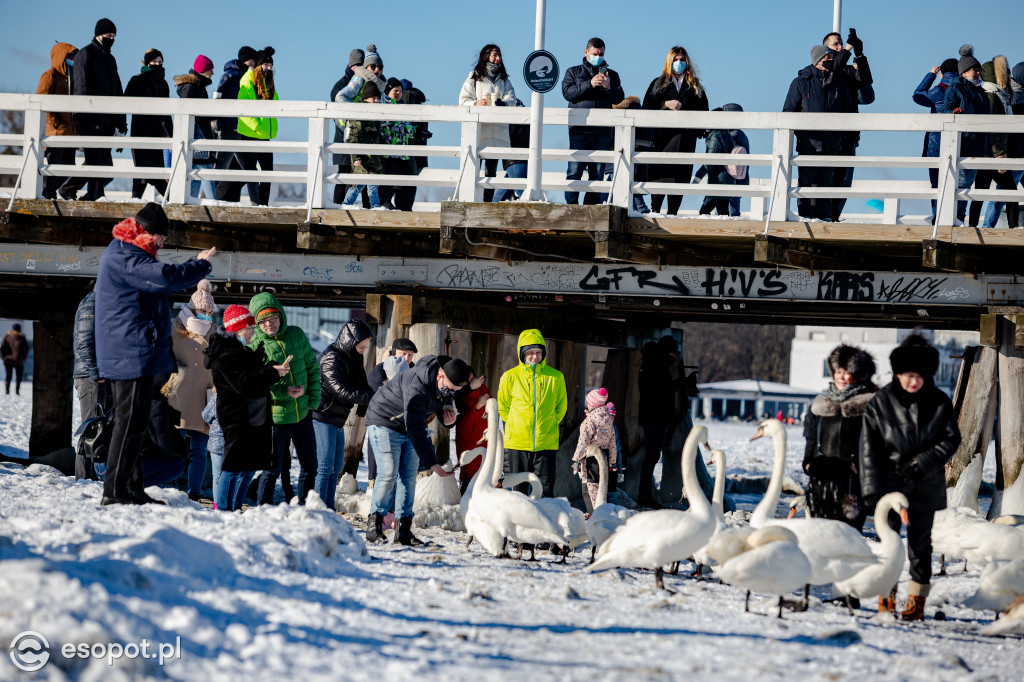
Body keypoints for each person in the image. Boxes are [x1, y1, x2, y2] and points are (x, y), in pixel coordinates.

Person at [94, 202, 215, 505]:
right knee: (129, 422)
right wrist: (199, 265)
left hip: (136, 351)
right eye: (161, 238)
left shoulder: (129, 252)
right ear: (148, 233)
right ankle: (114, 491)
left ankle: (132, 489)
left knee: (136, 423)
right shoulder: (125, 255)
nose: (163, 243)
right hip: (130, 353)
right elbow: (164, 277)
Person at [860, 333, 961, 621]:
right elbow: (868, 448)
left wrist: (922, 462)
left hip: (925, 483)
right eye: (907, 375)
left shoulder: (939, 402)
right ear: (898, 373)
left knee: (920, 546)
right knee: (888, 543)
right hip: (890, 485)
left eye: (918, 375)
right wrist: (871, 490)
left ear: (927, 374)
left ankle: (917, 602)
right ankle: (886, 599)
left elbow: (951, 439)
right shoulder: (881, 402)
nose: (912, 381)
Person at [364, 356, 465, 545]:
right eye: (452, 388)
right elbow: (416, 428)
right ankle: (374, 527)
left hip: (407, 424)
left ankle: (403, 531)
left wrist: (448, 418)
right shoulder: (416, 386)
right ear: (440, 376)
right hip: (384, 420)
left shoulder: (443, 384)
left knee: (408, 476)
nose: (452, 392)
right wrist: (432, 462)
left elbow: (442, 401)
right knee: (388, 472)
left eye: (456, 390)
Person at [204, 304, 289, 512]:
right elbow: (242, 383)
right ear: (238, 329)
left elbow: (250, 375)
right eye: (250, 328)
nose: (253, 332)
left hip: (248, 413)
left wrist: (269, 368)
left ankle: (233, 507)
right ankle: (224, 509)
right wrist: (271, 374)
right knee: (233, 465)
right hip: (235, 415)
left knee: (245, 466)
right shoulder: (227, 352)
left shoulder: (238, 350)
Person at [247, 292, 320, 505]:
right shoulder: (255, 345)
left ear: (281, 317)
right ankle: (264, 509)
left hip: (302, 413)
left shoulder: (296, 334)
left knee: (310, 466)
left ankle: (305, 508)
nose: (268, 324)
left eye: (272, 318)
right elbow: (254, 384)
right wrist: (283, 391)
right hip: (275, 417)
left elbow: (312, 368)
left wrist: (309, 396)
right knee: (272, 469)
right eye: (262, 321)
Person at [802, 344, 877, 530]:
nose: (841, 377)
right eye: (837, 372)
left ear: (857, 374)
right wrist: (808, 461)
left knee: (848, 531)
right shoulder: (822, 404)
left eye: (846, 372)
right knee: (821, 529)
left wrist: (859, 465)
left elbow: (873, 442)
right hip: (821, 477)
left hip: (850, 480)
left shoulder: (868, 405)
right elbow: (812, 437)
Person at [783, 44, 856, 221]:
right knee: (806, 180)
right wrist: (800, 132)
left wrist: (844, 135)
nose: (830, 60)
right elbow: (788, 111)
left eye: (832, 57)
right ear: (818, 60)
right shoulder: (801, 82)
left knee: (827, 181)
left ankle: (825, 219)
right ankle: (805, 216)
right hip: (808, 142)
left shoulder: (839, 82)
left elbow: (849, 111)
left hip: (832, 142)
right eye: (827, 57)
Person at [312, 319, 375, 509]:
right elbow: (342, 391)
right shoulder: (332, 357)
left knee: (336, 467)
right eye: (361, 346)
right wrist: (371, 396)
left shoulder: (352, 356)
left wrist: (379, 395)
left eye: (366, 346)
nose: (364, 349)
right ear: (351, 340)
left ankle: (328, 507)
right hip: (321, 416)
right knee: (324, 467)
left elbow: (361, 384)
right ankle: (317, 509)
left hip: (337, 419)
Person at [497, 329, 567, 499]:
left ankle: (545, 521)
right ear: (522, 354)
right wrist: (515, 424)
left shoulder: (556, 377)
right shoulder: (510, 377)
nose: (534, 357)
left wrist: (548, 423)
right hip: (518, 443)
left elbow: (561, 406)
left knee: (545, 487)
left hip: (546, 441)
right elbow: (503, 407)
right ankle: (521, 522)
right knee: (518, 488)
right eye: (530, 353)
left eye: (538, 352)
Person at [164, 280, 216, 501]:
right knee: (172, 445)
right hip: (177, 392)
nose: (205, 314)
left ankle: (194, 492)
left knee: (200, 449)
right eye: (201, 310)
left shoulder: (215, 332)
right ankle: (166, 486)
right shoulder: (175, 327)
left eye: (208, 311)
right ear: (192, 308)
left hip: (204, 393)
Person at [642, 46, 709, 215]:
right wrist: (665, 104)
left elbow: (704, 111)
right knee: (659, 176)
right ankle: (655, 210)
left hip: (686, 139)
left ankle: (673, 213)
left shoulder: (696, 86)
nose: (679, 63)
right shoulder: (657, 83)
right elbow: (646, 108)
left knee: (680, 177)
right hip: (663, 139)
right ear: (669, 62)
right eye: (676, 60)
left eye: (682, 60)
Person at [561, 37, 624, 205]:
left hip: (602, 132)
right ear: (586, 52)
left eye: (601, 54)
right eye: (595, 54)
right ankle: (571, 208)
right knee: (574, 171)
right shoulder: (573, 72)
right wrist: (590, 84)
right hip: (579, 130)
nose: (599, 57)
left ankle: (590, 210)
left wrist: (609, 86)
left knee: (597, 175)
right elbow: (568, 93)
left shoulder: (612, 75)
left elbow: (619, 99)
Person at [72, 18, 126, 201]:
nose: (111, 39)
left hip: (108, 120)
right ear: (98, 35)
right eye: (108, 35)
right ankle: (94, 198)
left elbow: (117, 90)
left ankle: (75, 191)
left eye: (114, 36)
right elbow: (82, 86)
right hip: (91, 119)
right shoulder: (85, 54)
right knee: (95, 161)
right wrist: (82, 116)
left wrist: (121, 121)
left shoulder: (110, 59)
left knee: (102, 162)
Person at [823, 29, 874, 221]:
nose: (840, 46)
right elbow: (833, 68)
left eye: (841, 43)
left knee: (844, 179)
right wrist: (847, 49)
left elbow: (869, 94)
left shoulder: (848, 70)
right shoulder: (825, 66)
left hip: (849, 135)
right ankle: (825, 216)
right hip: (829, 135)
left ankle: (835, 217)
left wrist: (860, 56)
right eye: (835, 44)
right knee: (827, 177)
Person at [459, 44, 517, 202]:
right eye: (494, 55)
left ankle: (487, 203)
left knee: (491, 170)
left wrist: (503, 104)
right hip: (480, 130)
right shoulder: (475, 77)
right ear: (486, 56)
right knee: (475, 168)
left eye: (499, 55)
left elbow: (512, 98)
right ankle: (471, 200)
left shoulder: (504, 79)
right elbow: (463, 100)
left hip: (498, 131)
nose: (498, 59)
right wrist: (476, 104)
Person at [942, 45, 990, 224]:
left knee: (978, 190)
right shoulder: (957, 87)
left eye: (978, 70)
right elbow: (946, 110)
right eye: (973, 70)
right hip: (966, 145)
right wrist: (954, 114)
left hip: (981, 146)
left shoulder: (981, 92)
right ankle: (956, 220)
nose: (977, 73)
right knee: (963, 185)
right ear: (963, 73)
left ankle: (971, 225)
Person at [971, 57, 1018, 228]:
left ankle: (973, 225)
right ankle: (1013, 227)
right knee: (1009, 191)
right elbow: (994, 127)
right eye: (1005, 72)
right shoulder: (992, 95)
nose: (1008, 75)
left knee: (981, 191)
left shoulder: (999, 95)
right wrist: (1000, 154)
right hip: (992, 154)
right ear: (996, 74)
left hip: (990, 153)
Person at [913, 58, 960, 224]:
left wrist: (930, 75)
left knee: (937, 185)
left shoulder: (938, 92)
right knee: (959, 185)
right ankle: (957, 218)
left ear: (942, 73)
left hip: (936, 145)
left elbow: (917, 95)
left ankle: (937, 219)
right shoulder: (965, 90)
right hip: (961, 145)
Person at [36, 42, 85, 200]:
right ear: (60, 57)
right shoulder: (49, 75)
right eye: (70, 56)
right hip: (55, 132)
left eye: (75, 56)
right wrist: (53, 122)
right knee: (54, 168)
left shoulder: (73, 78)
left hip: (69, 133)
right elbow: (40, 101)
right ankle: (48, 196)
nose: (73, 59)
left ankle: (51, 194)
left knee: (68, 167)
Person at [124, 48, 172, 199]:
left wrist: (172, 132)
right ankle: (170, 199)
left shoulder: (163, 84)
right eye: (154, 61)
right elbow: (123, 103)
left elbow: (167, 111)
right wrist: (120, 126)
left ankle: (135, 202)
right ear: (147, 62)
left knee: (152, 171)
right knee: (144, 170)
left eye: (160, 62)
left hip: (158, 133)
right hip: (141, 131)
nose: (157, 64)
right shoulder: (137, 80)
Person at [984, 61, 1024, 228]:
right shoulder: (1015, 95)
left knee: (1005, 191)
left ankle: (990, 226)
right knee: (1004, 191)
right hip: (1017, 150)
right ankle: (988, 226)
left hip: (1018, 150)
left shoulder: (1012, 93)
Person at [236, 47, 278, 206]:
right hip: (251, 134)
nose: (268, 68)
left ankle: (263, 205)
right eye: (265, 65)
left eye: (271, 65)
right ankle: (228, 194)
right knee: (249, 174)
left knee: (267, 173)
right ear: (258, 65)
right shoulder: (247, 81)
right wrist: (257, 126)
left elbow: (277, 103)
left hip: (264, 135)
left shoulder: (268, 82)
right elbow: (242, 109)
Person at [213, 46, 255, 203]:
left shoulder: (243, 75)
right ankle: (211, 199)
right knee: (221, 168)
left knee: (246, 169)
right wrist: (234, 125)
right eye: (253, 59)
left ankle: (256, 203)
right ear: (247, 59)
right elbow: (226, 104)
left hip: (238, 128)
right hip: (231, 129)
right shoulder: (233, 75)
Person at [174, 55, 217, 201]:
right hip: (197, 135)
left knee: (197, 173)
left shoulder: (198, 86)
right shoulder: (192, 87)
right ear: (204, 70)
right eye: (210, 70)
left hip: (199, 133)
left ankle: (191, 202)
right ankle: (214, 203)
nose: (212, 73)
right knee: (205, 170)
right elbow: (187, 113)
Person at [637, 340, 674, 507]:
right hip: (655, 418)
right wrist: (682, 384)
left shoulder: (649, 366)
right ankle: (644, 495)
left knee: (651, 456)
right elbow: (662, 390)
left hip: (652, 418)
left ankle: (645, 494)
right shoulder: (657, 368)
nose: (673, 357)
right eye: (672, 353)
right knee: (651, 456)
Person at [573, 388, 619, 512]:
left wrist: (576, 460)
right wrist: (613, 462)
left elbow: (583, 443)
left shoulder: (589, 421)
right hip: (604, 458)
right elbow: (612, 444)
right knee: (602, 488)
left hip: (591, 459)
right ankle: (604, 511)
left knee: (589, 489)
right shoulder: (609, 420)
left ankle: (595, 515)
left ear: (592, 404)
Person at [329, 48, 365, 205]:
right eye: (359, 65)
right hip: (342, 138)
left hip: (358, 139)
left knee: (358, 175)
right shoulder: (341, 85)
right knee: (343, 175)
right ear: (352, 66)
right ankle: (338, 207)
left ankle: (352, 207)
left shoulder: (363, 83)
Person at [342, 82, 384, 209]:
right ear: (366, 98)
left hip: (374, 157)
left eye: (378, 98)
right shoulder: (360, 112)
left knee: (373, 186)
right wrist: (355, 157)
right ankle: (346, 205)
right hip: (362, 156)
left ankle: (375, 207)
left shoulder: (376, 114)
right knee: (357, 185)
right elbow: (353, 135)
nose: (376, 101)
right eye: (374, 98)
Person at [379, 78, 418, 211]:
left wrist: (413, 130)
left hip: (403, 151)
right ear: (388, 91)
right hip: (390, 151)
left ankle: (405, 207)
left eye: (400, 91)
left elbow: (409, 126)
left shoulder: (404, 106)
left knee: (408, 179)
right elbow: (386, 126)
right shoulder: (385, 104)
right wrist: (405, 129)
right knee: (390, 177)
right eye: (395, 90)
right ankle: (385, 202)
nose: (398, 93)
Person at [454, 371, 491, 494]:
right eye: (468, 380)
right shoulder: (459, 395)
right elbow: (462, 423)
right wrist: (477, 407)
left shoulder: (484, 390)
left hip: (483, 440)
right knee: (468, 472)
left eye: (473, 378)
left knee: (484, 472)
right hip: (467, 442)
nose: (473, 382)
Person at [696, 109, 736, 216]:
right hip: (726, 180)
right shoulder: (727, 134)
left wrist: (698, 176)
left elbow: (710, 161)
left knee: (704, 212)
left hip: (718, 181)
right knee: (723, 213)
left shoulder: (716, 136)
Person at [399, 79, 431, 210]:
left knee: (397, 184)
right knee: (410, 186)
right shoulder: (420, 105)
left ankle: (398, 209)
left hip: (403, 152)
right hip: (419, 153)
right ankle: (407, 209)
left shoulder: (401, 104)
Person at [2, 323, 29, 396]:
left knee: (8, 375)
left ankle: (7, 391)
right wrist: (24, 358)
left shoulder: (7, 337)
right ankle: (17, 391)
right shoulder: (22, 338)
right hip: (19, 360)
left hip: (8, 360)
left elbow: (2, 348)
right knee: (19, 376)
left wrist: (4, 357)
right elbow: (26, 349)